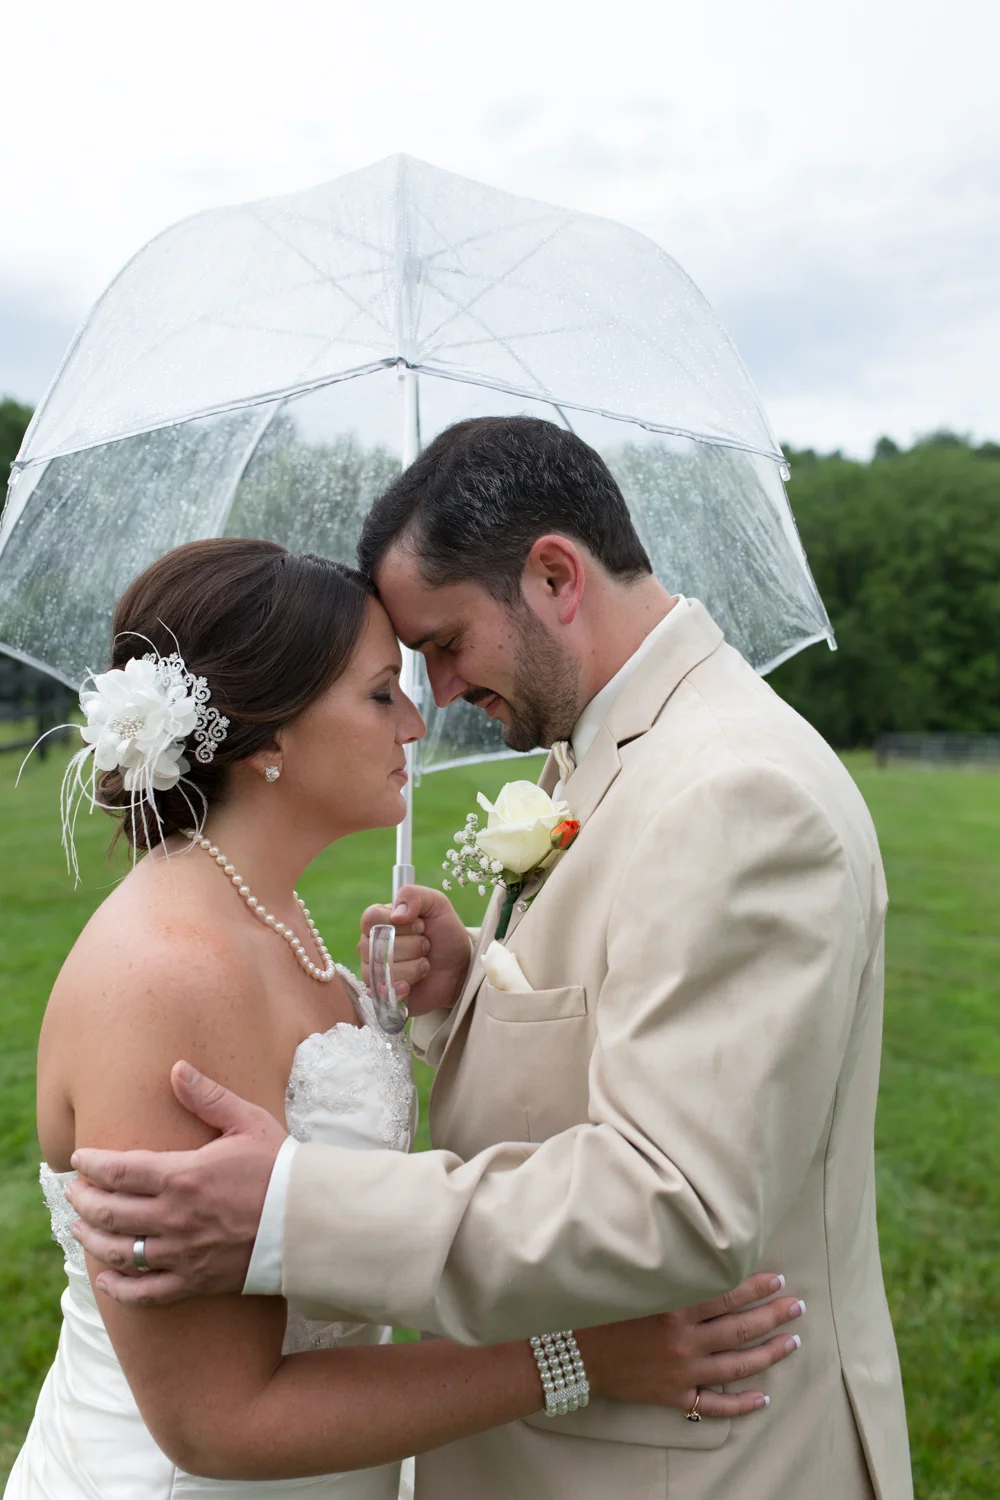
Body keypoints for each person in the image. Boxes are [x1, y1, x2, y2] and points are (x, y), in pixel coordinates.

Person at [69, 419, 914, 1500]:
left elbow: (676, 1201)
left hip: (684, 1458)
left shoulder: (731, 792)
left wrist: (292, 1209)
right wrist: (471, 991)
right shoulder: (612, 746)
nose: (434, 700)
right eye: (398, 676)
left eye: (443, 645)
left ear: (554, 576)